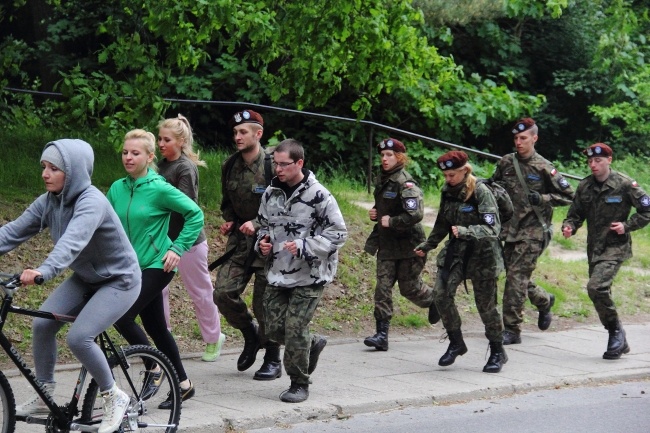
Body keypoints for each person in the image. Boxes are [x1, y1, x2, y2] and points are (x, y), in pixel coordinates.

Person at [0, 139, 141, 433]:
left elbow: (72, 243)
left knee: (79, 338)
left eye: (54, 168)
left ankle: (114, 396)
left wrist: (43, 270)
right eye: (44, 167)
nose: (45, 174)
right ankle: (44, 393)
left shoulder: (92, 202)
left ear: (73, 172)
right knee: (42, 324)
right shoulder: (50, 201)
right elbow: (13, 232)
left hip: (121, 279)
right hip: (87, 278)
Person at [107, 129, 204, 409]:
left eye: (135, 153)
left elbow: (195, 214)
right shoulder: (117, 188)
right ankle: (184, 385)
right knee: (157, 327)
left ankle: (154, 367)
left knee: (122, 316)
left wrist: (177, 248)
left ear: (149, 157)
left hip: (157, 264)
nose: (128, 157)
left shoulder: (159, 187)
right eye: (125, 152)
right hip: (130, 267)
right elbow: (105, 224)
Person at [256, 139, 347, 402]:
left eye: (284, 164)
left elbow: (339, 233)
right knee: (271, 329)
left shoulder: (319, 195)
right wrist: (261, 243)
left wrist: (306, 245)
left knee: (295, 329)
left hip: (311, 274)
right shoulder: (270, 193)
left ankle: (299, 383)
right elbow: (264, 224)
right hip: (278, 271)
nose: (279, 169)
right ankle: (312, 342)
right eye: (276, 163)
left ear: (299, 163)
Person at [415, 150, 507, 373]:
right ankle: (456, 342)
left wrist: (466, 230)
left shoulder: (481, 192)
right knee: (440, 294)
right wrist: (428, 245)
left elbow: (492, 228)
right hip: (456, 252)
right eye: (445, 175)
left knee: (486, 307)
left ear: (465, 171)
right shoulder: (448, 191)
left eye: (452, 175)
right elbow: (442, 223)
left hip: (483, 255)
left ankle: (497, 350)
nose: (448, 179)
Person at [562, 143, 650, 359]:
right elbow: (575, 214)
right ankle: (621, 339)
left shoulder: (625, 184)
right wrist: (569, 226)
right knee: (600, 292)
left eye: (598, 160)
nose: (593, 164)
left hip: (615, 247)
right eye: (590, 161)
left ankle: (615, 332)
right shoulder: (585, 186)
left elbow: (647, 210)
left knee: (596, 287)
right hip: (594, 249)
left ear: (609, 160)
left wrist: (626, 226)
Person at [490, 118, 574, 345]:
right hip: (508, 230)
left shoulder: (545, 167)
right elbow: (493, 186)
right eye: (516, 138)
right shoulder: (506, 162)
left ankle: (512, 330)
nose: (518, 142)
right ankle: (545, 301)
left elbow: (569, 195)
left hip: (533, 232)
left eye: (523, 138)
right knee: (518, 278)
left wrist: (544, 198)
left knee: (516, 279)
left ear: (534, 138)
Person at [213, 109, 282, 380]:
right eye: (235, 132)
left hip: (270, 242)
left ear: (258, 134)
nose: (238, 136)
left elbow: (284, 207)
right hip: (241, 242)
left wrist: (257, 221)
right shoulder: (229, 165)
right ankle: (250, 334)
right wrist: (230, 220)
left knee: (265, 303)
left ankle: (273, 358)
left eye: (243, 132)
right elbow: (227, 203)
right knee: (222, 293)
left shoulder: (273, 165)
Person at [158, 114, 225, 362]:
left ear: (181, 141)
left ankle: (213, 338)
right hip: (162, 241)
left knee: (199, 291)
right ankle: (163, 339)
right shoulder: (160, 165)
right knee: (158, 291)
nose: (161, 144)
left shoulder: (184, 167)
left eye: (167, 139)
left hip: (188, 242)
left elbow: (188, 207)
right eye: (159, 139)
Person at [363, 138, 439, 351]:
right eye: (382, 155)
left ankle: (435, 301)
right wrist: (375, 213)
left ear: (400, 157)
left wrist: (392, 221)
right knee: (382, 289)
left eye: (389, 155)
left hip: (409, 247)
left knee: (409, 288)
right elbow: (386, 205)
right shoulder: (384, 179)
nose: (384, 159)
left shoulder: (406, 183)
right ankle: (381, 335)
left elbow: (415, 213)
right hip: (387, 247)